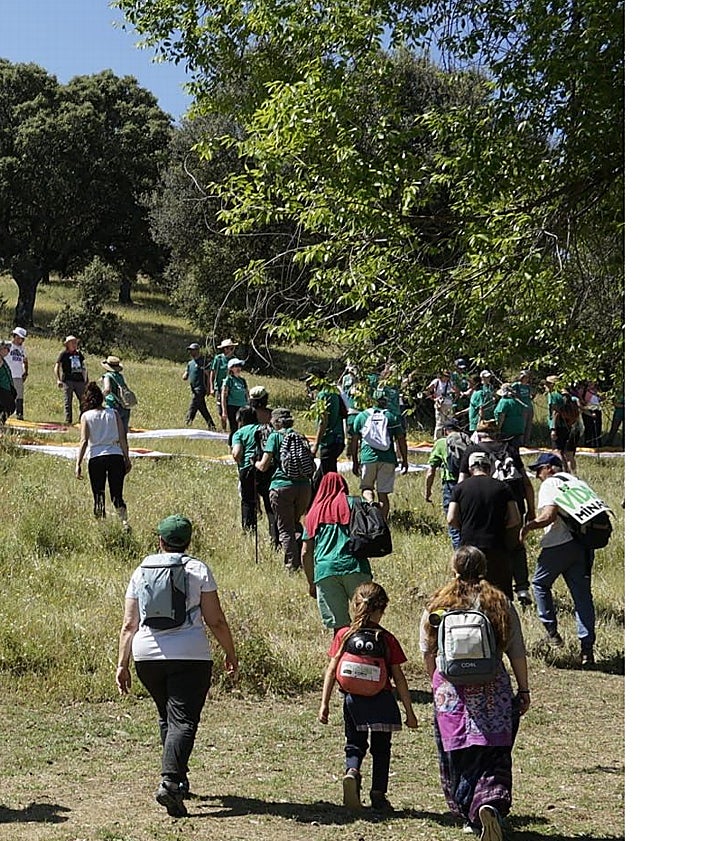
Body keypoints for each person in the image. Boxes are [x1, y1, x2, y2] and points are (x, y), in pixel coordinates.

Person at [116, 514, 239, 818]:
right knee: (184, 720)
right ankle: (170, 782)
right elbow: (216, 619)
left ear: (160, 540)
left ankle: (178, 778)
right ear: (188, 541)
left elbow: (129, 624)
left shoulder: (141, 569)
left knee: (167, 717)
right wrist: (230, 651)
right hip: (190, 654)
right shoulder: (197, 569)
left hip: (146, 656)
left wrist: (123, 664)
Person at [420, 546, 530, 837]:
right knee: (494, 749)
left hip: (451, 690)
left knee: (458, 752)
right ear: (484, 567)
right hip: (492, 688)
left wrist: (436, 682)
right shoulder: (498, 601)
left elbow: (427, 648)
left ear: (455, 568)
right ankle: (490, 803)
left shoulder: (438, 602)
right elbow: (516, 650)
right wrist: (524, 688)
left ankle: (472, 814)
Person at [319, 582, 418, 811]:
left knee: (354, 743)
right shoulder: (386, 638)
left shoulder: (344, 635)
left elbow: (332, 670)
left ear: (355, 606)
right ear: (381, 609)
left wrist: (324, 704)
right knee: (381, 749)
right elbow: (400, 678)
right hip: (382, 702)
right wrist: (409, 712)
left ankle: (352, 771)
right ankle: (378, 794)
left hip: (352, 701)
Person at [520, 453, 596, 666]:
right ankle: (587, 649)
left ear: (550, 468)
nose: (537, 476)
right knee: (582, 597)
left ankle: (552, 632)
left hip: (558, 544)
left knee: (539, 584)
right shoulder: (577, 482)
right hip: (583, 545)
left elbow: (549, 515)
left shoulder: (551, 483)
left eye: (538, 470)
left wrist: (528, 527)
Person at [457, 421, 536, 607]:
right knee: (516, 548)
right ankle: (522, 587)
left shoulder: (473, 451)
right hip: (515, 505)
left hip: (486, 506)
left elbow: (461, 482)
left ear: (478, 433)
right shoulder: (511, 449)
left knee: (484, 550)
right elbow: (525, 482)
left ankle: (478, 588)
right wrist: (531, 509)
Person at [302, 472, 373, 631]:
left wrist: (311, 582)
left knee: (340, 628)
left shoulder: (313, 513)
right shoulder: (355, 504)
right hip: (355, 566)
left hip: (326, 571)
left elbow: (305, 552)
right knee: (365, 621)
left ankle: (342, 655)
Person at [448, 452, 521, 599]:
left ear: (470, 469)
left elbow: (450, 519)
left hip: (469, 547)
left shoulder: (460, 488)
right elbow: (515, 518)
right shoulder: (503, 487)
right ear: (489, 468)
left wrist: (463, 528)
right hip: (496, 545)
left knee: (468, 590)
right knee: (500, 594)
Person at [255, 407, 312, 570]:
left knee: (285, 528)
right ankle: (304, 558)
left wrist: (255, 463)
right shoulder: (300, 436)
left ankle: (292, 566)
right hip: (304, 487)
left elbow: (264, 465)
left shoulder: (275, 437)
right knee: (296, 523)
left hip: (281, 487)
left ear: (276, 422)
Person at [75, 382, 132, 528]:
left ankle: (102, 526)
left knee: (98, 495)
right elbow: (122, 438)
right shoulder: (113, 413)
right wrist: (127, 457)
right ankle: (124, 522)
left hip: (96, 458)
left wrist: (78, 463)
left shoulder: (86, 416)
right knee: (117, 494)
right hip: (115, 455)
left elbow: (84, 441)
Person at [352, 389, 408, 521]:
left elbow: (354, 441)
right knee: (383, 494)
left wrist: (355, 461)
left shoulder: (361, 417)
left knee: (366, 488)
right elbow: (401, 440)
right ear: (386, 401)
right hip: (388, 459)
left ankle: (370, 510)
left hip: (368, 457)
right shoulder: (392, 417)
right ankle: (382, 523)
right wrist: (404, 460)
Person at [231, 405, 276, 538]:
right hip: (266, 468)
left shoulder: (239, 433)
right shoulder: (265, 429)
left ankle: (250, 533)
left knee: (248, 502)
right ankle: (275, 535)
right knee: (269, 503)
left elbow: (237, 453)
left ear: (240, 419)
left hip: (247, 469)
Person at [424, 418, 465, 548]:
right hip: (469, 483)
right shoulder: (467, 441)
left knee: (453, 522)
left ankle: (459, 557)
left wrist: (428, 491)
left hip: (451, 484)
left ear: (445, 431)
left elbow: (431, 471)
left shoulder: (441, 443)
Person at [308, 371, 346, 488]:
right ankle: (311, 502)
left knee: (330, 479)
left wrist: (315, 445)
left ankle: (336, 501)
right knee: (319, 478)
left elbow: (323, 422)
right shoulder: (333, 391)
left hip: (329, 441)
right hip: (338, 439)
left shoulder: (323, 395)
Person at [54, 335, 88, 424]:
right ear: (67, 344)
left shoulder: (79, 354)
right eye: (72, 342)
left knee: (83, 400)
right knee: (68, 401)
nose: (74, 344)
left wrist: (86, 379)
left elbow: (84, 367)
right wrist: (58, 379)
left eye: (75, 343)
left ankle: (82, 419)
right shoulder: (63, 354)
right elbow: (57, 366)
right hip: (68, 380)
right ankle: (68, 420)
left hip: (79, 380)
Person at [182, 343, 216, 430]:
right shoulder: (190, 363)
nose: (191, 352)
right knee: (201, 407)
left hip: (201, 388)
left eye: (192, 350)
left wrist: (209, 388)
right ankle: (211, 425)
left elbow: (209, 376)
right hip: (194, 388)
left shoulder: (203, 362)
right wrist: (185, 375)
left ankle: (188, 421)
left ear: (197, 350)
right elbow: (187, 373)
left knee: (193, 404)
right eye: (190, 350)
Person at [551, 386, 582, 474]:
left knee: (558, 451)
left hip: (561, 428)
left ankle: (564, 471)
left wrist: (553, 429)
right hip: (575, 429)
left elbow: (555, 415)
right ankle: (573, 474)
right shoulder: (575, 400)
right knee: (570, 454)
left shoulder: (559, 402)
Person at [101, 355, 133, 434]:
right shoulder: (120, 376)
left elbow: (107, 389)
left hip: (113, 406)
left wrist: (100, 397)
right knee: (122, 433)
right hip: (124, 406)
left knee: (111, 432)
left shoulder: (107, 376)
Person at [209, 338, 236, 430]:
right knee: (221, 409)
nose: (232, 350)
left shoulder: (234, 360)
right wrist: (211, 388)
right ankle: (224, 428)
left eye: (233, 348)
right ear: (225, 349)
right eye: (231, 348)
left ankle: (233, 428)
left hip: (231, 388)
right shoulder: (218, 359)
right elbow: (213, 372)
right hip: (220, 388)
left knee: (231, 407)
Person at [220, 358, 248, 441]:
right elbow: (223, 396)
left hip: (242, 407)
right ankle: (231, 445)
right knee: (234, 428)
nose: (238, 368)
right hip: (232, 407)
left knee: (242, 428)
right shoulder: (228, 380)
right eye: (236, 366)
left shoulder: (242, 381)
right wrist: (224, 411)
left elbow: (246, 394)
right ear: (231, 368)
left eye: (239, 366)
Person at [493, 383, 526, 450]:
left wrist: (498, 428)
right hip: (518, 428)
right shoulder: (517, 401)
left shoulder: (504, 402)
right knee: (516, 448)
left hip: (507, 429)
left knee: (506, 448)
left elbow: (501, 416)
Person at [426, 368, 455, 440]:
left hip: (448, 404)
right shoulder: (436, 382)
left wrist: (454, 399)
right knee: (439, 422)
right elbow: (427, 391)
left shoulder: (450, 383)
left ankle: (448, 439)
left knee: (449, 421)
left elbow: (456, 391)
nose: (447, 378)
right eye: (445, 376)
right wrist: (434, 399)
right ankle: (437, 439)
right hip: (440, 404)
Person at [7, 327, 28, 420]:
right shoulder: (7, 346)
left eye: (23, 339)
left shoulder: (22, 349)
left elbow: (25, 360)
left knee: (19, 395)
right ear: (15, 336)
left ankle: (20, 415)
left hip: (18, 375)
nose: (22, 340)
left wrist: (26, 372)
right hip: (8, 375)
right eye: (20, 338)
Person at [510, 371, 534, 446]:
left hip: (529, 406)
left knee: (528, 425)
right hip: (521, 407)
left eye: (527, 377)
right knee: (522, 425)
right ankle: (520, 442)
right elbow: (512, 394)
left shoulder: (528, 386)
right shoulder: (516, 385)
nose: (526, 379)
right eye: (524, 377)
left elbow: (531, 395)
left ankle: (526, 442)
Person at [580, 380, 603, 448]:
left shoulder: (597, 391)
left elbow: (601, 399)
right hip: (587, 411)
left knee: (598, 428)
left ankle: (597, 444)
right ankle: (588, 444)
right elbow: (582, 401)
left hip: (597, 410)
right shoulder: (583, 391)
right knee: (589, 428)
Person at [0, 341, 16, 426]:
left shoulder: (3, 359)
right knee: (11, 406)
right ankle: (1, 422)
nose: (8, 351)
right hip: (2, 387)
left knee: (3, 407)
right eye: (6, 349)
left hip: (6, 387)